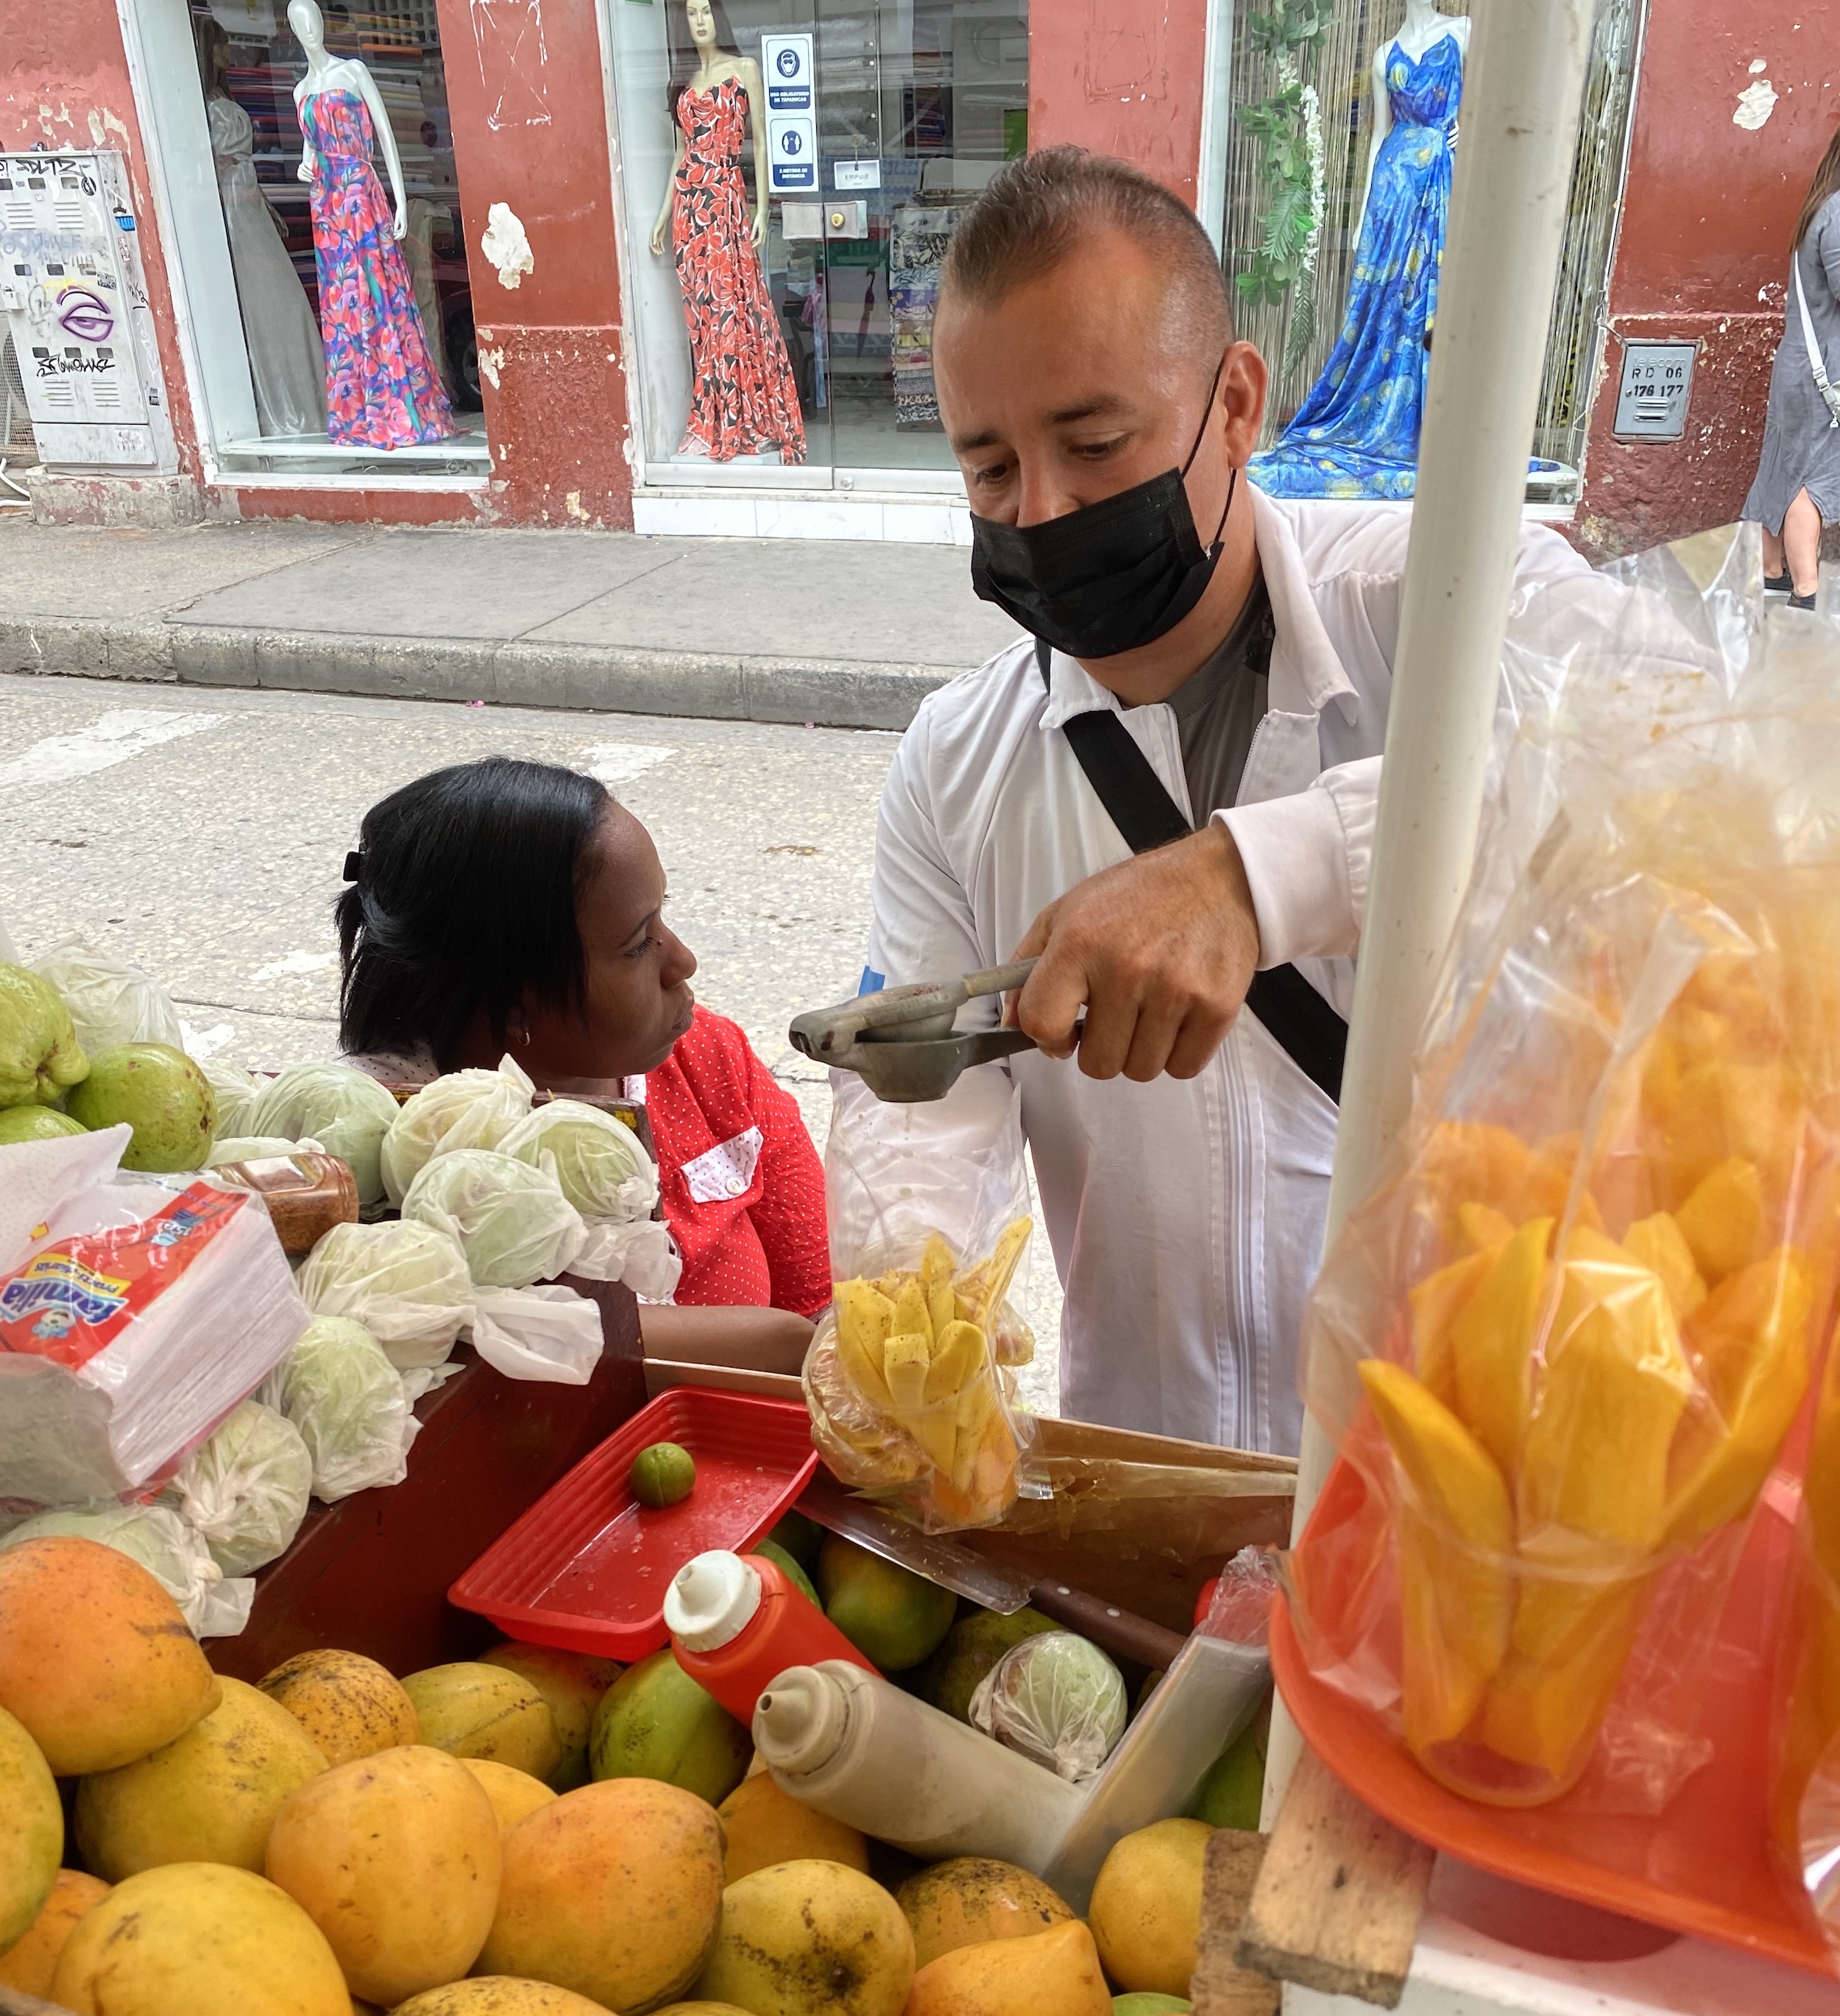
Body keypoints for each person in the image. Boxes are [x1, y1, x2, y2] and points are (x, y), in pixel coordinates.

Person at [854, 146, 1619, 1453]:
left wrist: (1265, 875)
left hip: (1472, 1475)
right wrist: (904, 1319)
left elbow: (1673, 787)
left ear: (1237, 405)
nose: (1042, 510)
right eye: (989, 469)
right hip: (1158, 1473)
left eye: (1095, 444)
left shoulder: (1457, 607)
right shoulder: (954, 762)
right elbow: (919, 1102)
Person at [336, 755, 826, 1372]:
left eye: (662, 917)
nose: (683, 960)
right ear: (513, 1004)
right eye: (638, 944)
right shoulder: (394, 1163)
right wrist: (775, 1345)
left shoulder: (705, 1058)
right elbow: (491, 1350)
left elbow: (823, 1308)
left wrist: (802, 1346)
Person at [1744, 124, 1840, 610]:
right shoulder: (1839, 212)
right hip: (1826, 372)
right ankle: (1805, 594)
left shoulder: (1821, 207)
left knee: (1784, 465)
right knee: (1815, 478)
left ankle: (1771, 572)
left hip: (1803, 366)